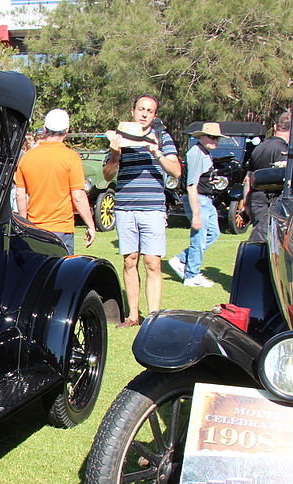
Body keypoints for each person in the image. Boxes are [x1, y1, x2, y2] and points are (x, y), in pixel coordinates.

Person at [103, 95, 183, 328]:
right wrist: (116, 154)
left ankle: (154, 317)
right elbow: (108, 175)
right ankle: (132, 316)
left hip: (153, 208)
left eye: (149, 110)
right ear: (133, 111)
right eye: (141, 109)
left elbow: (176, 171)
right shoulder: (120, 137)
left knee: (152, 262)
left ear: (154, 115)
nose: (145, 113)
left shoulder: (162, 137)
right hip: (125, 207)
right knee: (130, 260)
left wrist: (156, 152)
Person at [14, 108, 96, 254]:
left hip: (35, 229)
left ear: (45, 129)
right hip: (61, 230)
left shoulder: (27, 157)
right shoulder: (71, 157)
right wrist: (90, 225)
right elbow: (78, 197)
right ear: (67, 130)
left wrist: (24, 224)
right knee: (61, 274)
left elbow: (20, 195)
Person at [167, 123, 223, 287]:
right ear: (202, 137)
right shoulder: (196, 153)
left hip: (205, 199)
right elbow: (191, 185)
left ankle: (182, 260)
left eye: (217, 138)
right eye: (212, 137)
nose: (215, 141)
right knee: (198, 238)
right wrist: (196, 214)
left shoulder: (205, 153)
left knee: (213, 233)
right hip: (198, 199)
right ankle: (191, 275)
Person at [244, 111, 291, 244]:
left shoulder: (259, 148)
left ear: (276, 127)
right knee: (262, 239)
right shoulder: (284, 152)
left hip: (256, 199)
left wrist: (246, 202)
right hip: (269, 202)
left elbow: (248, 178)